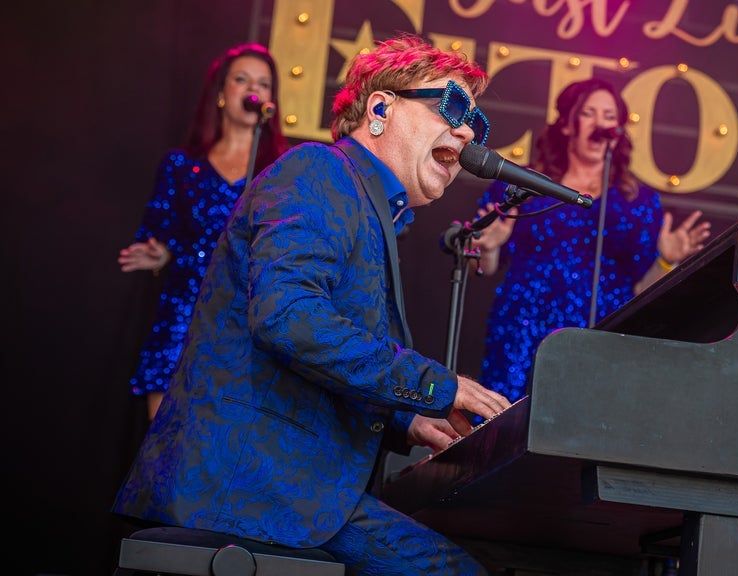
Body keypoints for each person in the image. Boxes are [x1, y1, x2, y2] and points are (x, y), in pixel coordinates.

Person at [112, 35, 511, 575]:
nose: (466, 132)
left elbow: (315, 359)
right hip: (252, 486)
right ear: (380, 108)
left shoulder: (364, 203)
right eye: (453, 106)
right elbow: (289, 318)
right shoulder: (318, 171)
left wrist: (404, 418)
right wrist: (434, 385)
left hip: (284, 488)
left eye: (476, 122)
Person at [473, 78, 711, 402]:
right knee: (510, 417)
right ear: (568, 124)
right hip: (523, 329)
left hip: (602, 334)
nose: (600, 124)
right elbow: (485, 268)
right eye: (589, 113)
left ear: (619, 131)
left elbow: (641, 290)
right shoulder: (525, 185)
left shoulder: (638, 201)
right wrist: (489, 247)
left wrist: (666, 260)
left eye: (609, 117)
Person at [118, 43, 289, 420]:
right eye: (242, 79)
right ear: (222, 93)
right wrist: (161, 253)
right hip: (184, 312)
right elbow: (160, 232)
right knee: (164, 439)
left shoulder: (280, 171)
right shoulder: (181, 165)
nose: (253, 89)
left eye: (263, 83)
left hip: (243, 319)